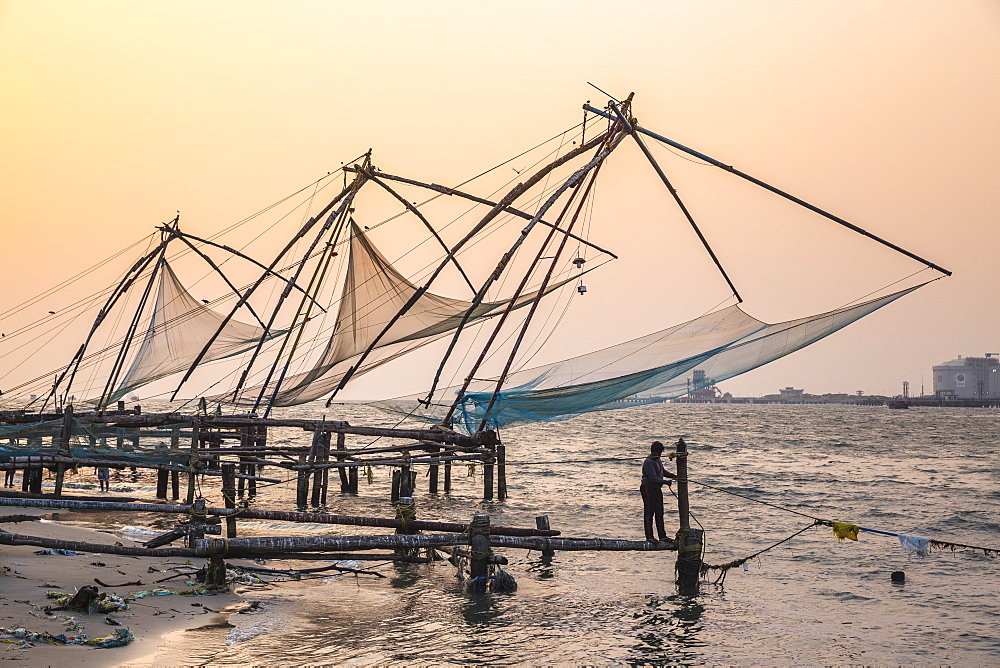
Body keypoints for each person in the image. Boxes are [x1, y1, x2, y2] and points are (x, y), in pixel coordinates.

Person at [640, 440, 676, 542]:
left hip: (656, 489)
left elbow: (662, 471)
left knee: (659, 512)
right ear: (653, 452)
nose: (660, 455)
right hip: (648, 488)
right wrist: (665, 482)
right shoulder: (649, 462)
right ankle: (650, 537)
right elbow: (653, 478)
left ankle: (662, 536)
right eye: (658, 453)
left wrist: (672, 476)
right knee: (649, 512)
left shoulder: (658, 460)